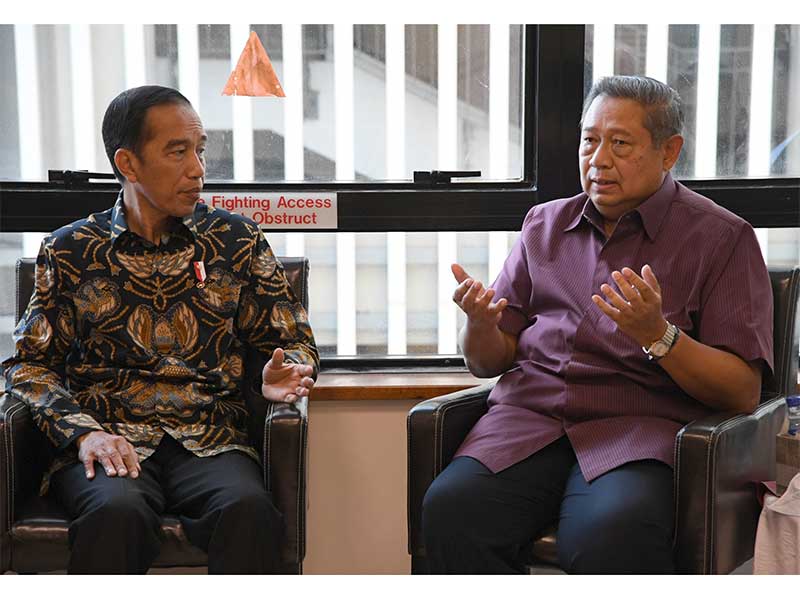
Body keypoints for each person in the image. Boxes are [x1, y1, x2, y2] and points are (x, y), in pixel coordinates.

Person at [421, 75, 773, 574]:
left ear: (669, 151)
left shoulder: (723, 239)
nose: (598, 160)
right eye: (590, 140)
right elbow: (487, 361)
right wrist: (479, 324)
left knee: (609, 534)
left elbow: (742, 392)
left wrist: (659, 335)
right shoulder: (543, 225)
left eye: (620, 143)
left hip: (635, 430)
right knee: (452, 510)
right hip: (529, 422)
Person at [2, 85, 319, 574]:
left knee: (249, 510)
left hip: (209, 436)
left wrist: (285, 372)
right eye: (178, 152)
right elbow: (28, 366)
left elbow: (292, 338)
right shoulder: (70, 251)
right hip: (110, 435)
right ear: (128, 164)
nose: (197, 168)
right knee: (116, 511)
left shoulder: (235, 241)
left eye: (200, 149)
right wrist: (83, 435)